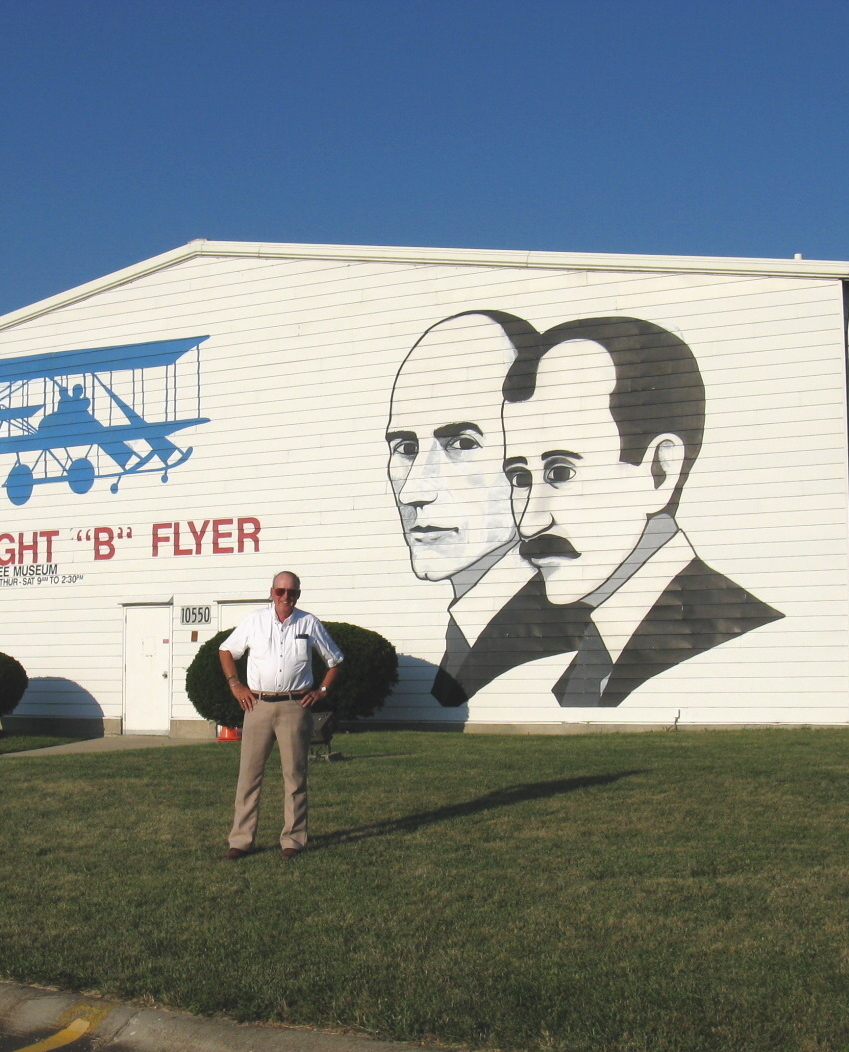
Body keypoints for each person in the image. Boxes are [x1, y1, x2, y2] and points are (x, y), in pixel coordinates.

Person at [501, 317, 782, 707]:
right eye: (518, 478)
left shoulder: (730, 630)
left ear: (659, 472)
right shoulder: (593, 651)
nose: (531, 520)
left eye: (560, 472)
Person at [385, 311, 587, 706]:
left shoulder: (569, 629)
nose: (413, 491)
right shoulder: (466, 626)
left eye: (461, 443)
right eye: (406, 449)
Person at [217, 572, 343, 859]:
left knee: (295, 776)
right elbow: (226, 651)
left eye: (292, 592)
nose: (286, 597)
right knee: (249, 776)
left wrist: (322, 690)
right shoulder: (254, 621)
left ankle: (293, 840)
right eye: (280, 591)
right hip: (257, 706)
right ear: (271, 592)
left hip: (294, 708)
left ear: (298, 594)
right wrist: (235, 685)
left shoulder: (308, 622)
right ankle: (240, 841)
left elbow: (335, 660)